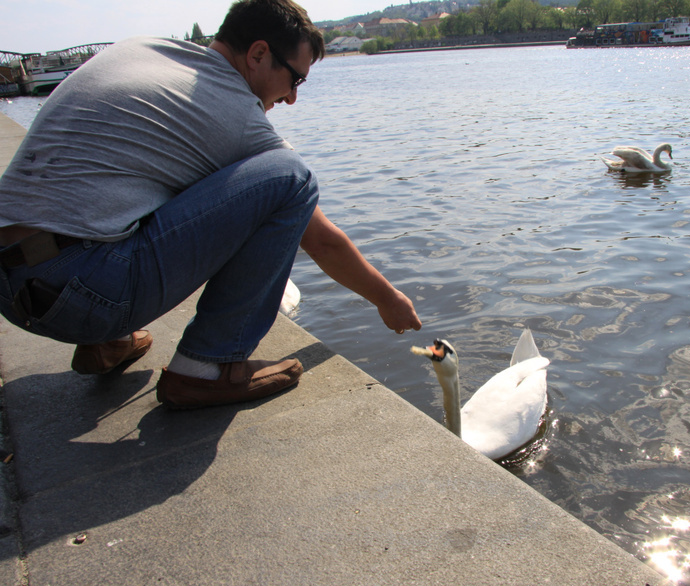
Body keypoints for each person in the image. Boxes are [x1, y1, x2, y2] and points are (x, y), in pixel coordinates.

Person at [0, 0, 421, 410]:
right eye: (296, 79)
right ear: (258, 54)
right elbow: (322, 241)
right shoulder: (236, 116)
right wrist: (387, 298)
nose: (293, 98)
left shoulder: (143, 51)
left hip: (12, 284)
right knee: (292, 178)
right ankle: (205, 366)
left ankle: (106, 342)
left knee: (142, 180)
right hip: (79, 295)